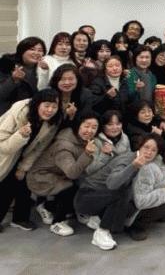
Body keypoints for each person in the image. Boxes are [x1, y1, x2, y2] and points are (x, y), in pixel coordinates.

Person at [73, 133, 161, 250]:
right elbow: (112, 184)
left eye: (154, 150)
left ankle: (100, 219)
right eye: (146, 147)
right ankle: (102, 231)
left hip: (105, 198)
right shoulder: (127, 159)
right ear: (139, 147)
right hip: (86, 197)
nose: (149, 152)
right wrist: (133, 166)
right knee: (121, 193)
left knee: (130, 200)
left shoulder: (151, 163)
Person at [26, 112, 99, 236]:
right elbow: (72, 173)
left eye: (94, 127)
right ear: (78, 126)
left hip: (60, 174)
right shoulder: (64, 145)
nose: (90, 130)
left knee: (83, 187)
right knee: (70, 188)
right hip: (40, 177)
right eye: (86, 126)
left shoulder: (83, 140)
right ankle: (57, 222)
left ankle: (51, 206)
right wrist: (87, 154)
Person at [0, 89, 61, 232]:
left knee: (25, 182)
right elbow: (2, 145)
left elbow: (39, 148)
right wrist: (20, 135)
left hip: (25, 154)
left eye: (54, 106)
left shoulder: (53, 121)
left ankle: (20, 218)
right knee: (7, 186)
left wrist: (23, 167)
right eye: (46, 105)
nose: (50, 110)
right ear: (38, 103)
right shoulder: (19, 112)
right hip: (6, 154)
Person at [0, 37, 47, 116]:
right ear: (22, 51)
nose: (36, 53)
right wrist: (13, 80)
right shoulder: (6, 66)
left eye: (40, 50)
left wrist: (45, 71)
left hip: (33, 114)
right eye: (32, 49)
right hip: (8, 114)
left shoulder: (43, 69)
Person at [49, 64, 95, 130]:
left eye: (71, 79)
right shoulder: (49, 94)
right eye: (62, 79)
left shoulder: (85, 94)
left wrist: (72, 116)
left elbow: (85, 119)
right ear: (56, 80)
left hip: (73, 129)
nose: (67, 83)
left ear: (77, 79)